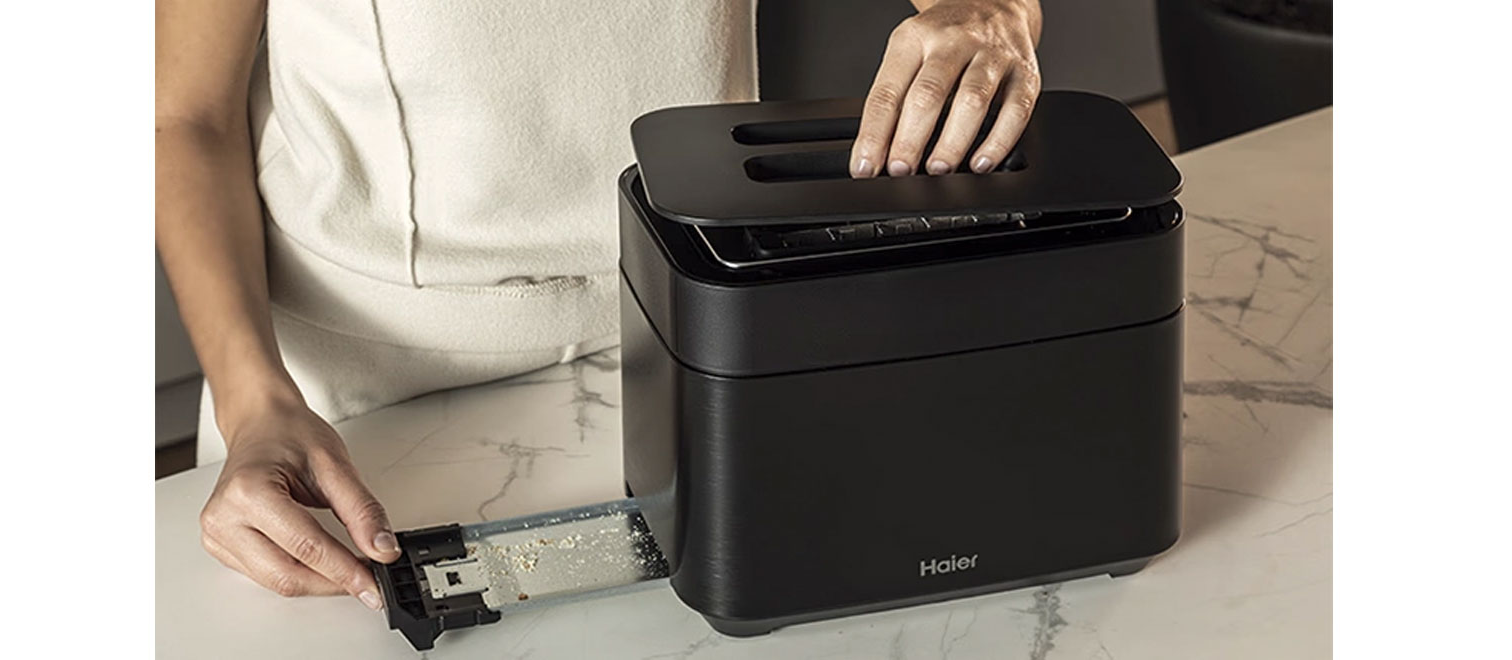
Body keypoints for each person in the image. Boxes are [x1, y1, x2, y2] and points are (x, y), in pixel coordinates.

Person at [156, 0, 1043, 610]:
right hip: (348, 404)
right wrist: (253, 407)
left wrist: (993, 13)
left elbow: (979, 7)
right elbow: (183, 117)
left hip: (694, 334)